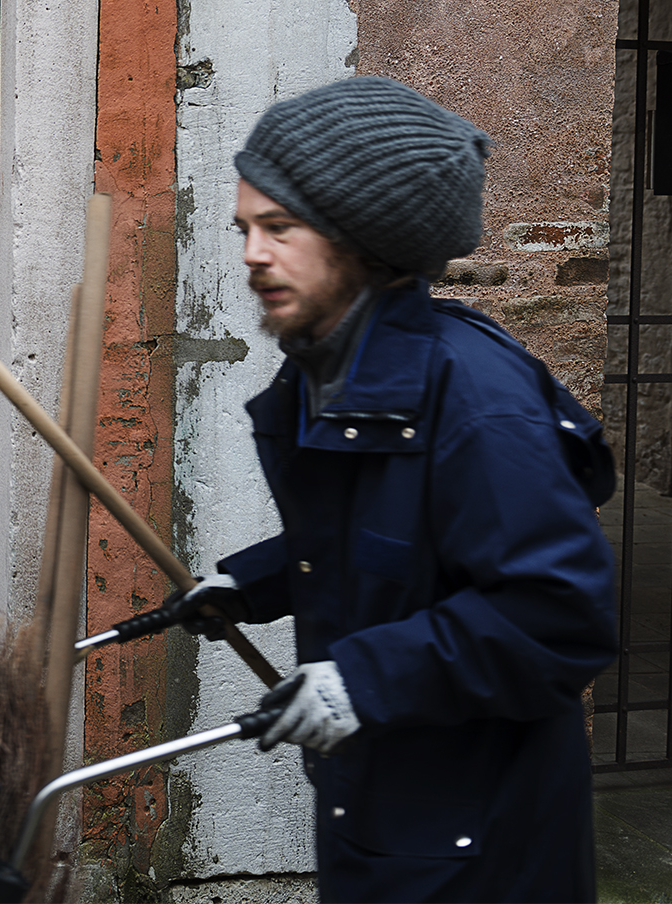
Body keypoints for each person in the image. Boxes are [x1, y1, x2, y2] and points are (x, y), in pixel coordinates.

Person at [184, 75, 618, 903]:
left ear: (361, 236)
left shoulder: (475, 402)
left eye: (279, 227)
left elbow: (560, 615)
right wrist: (250, 582)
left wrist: (364, 678)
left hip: (480, 848)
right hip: (388, 814)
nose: (251, 253)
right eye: (245, 228)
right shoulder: (336, 373)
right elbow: (389, 542)